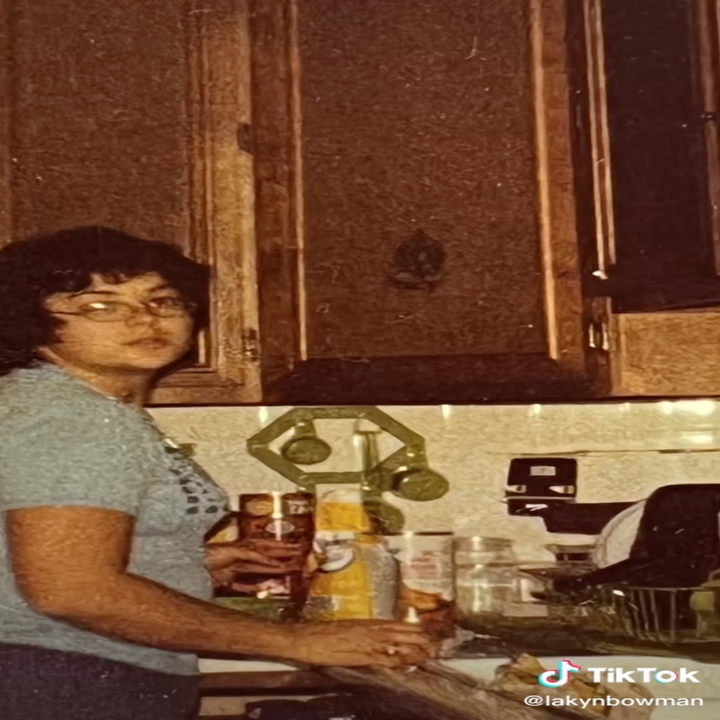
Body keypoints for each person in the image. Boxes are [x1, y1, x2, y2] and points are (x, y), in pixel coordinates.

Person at [0, 226, 435, 720]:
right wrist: (298, 641)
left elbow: (45, 562)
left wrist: (194, 562)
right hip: (61, 681)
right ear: (32, 322)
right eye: (102, 305)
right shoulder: (71, 417)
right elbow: (74, 591)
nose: (145, 317)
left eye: (164, 301)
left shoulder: (67, 407)